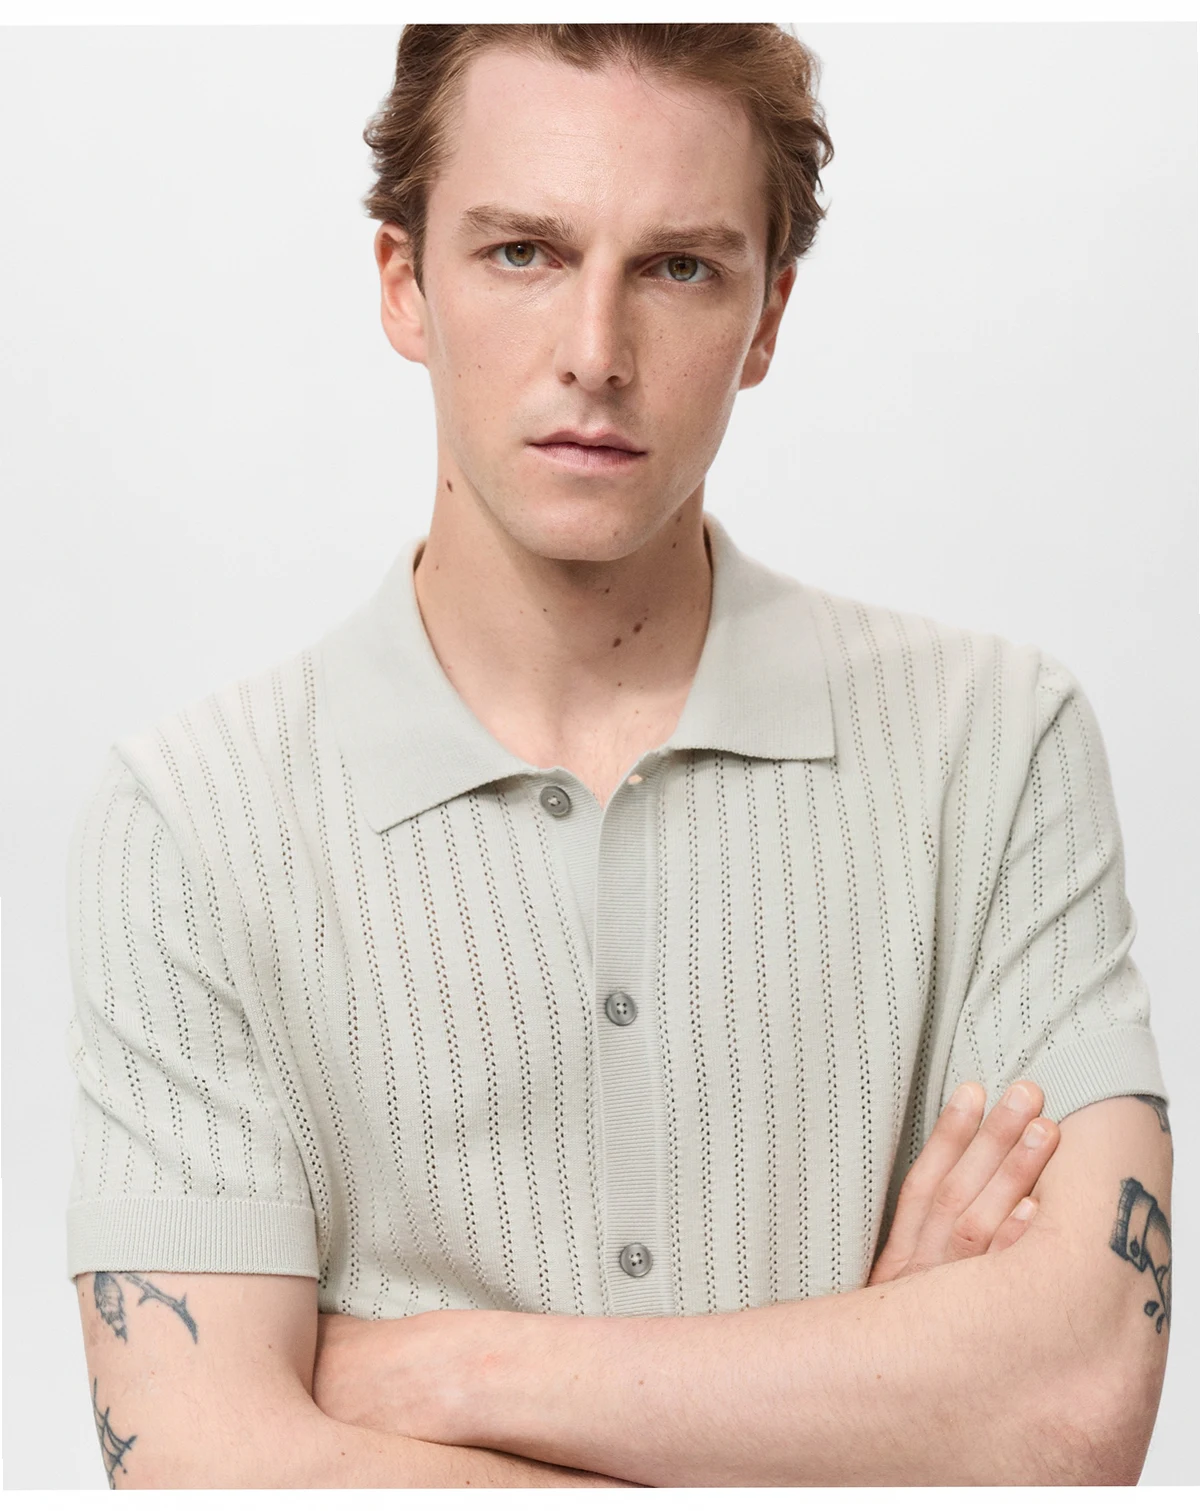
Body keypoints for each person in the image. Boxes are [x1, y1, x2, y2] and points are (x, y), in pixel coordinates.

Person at [65, 23, 1172, 1489]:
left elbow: (1073, 1399)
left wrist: (449, 1371)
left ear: (768, 317)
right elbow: (211, 1472)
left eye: (680, 267)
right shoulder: (192, 824)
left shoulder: (998, 746)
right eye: (522, 252)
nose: (596, 351)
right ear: (403, 282)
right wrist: (864, 1400)